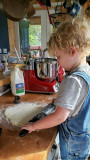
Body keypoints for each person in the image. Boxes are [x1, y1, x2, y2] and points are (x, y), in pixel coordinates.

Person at [21, 18, 90, 160]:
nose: (57, 62)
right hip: (83, 139)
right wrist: (63, 101)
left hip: (72, 144)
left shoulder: (73, 80)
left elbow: (59, 116)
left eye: (58, 57)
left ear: (72, 51)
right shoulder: (87, 70)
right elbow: (80, 100)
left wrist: (34, 126)